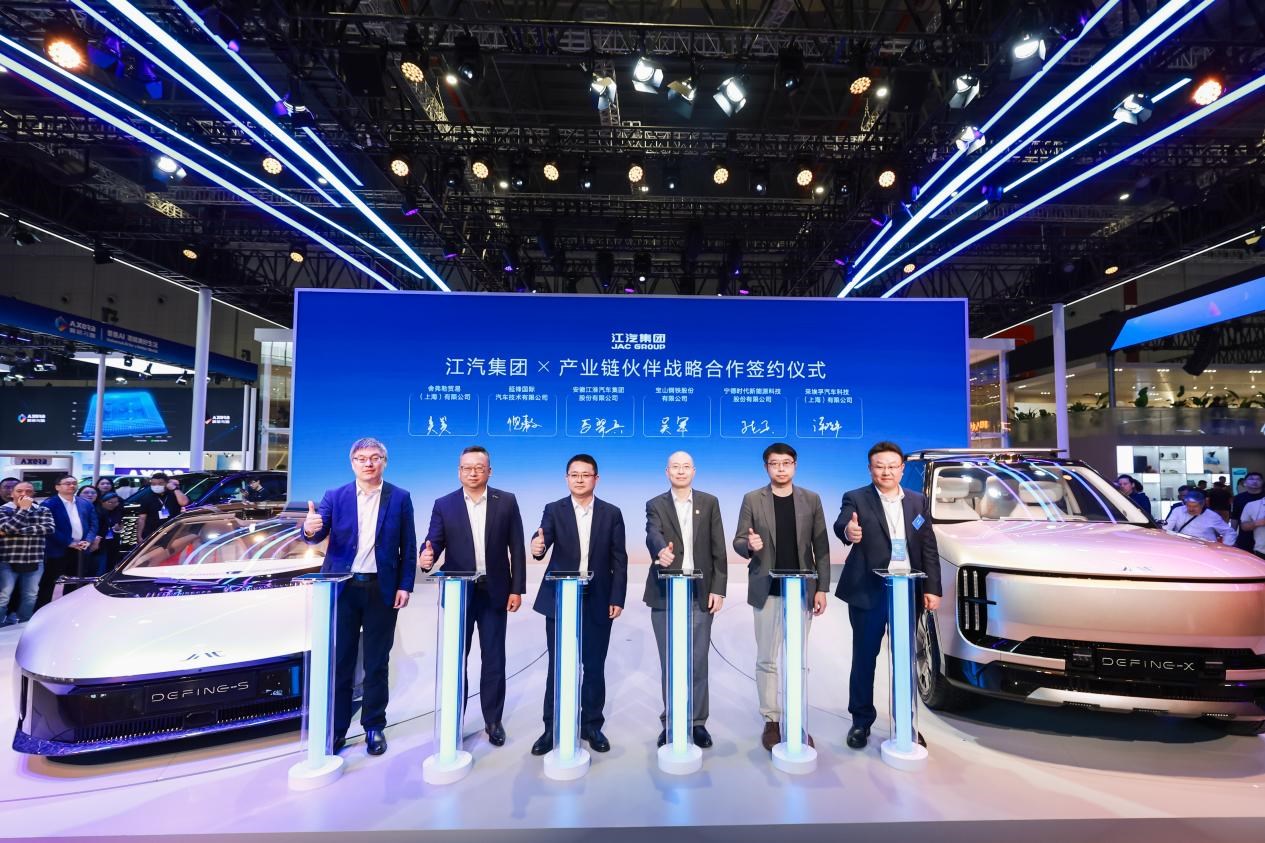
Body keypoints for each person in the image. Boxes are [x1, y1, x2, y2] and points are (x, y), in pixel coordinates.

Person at [302, 437, 417, 756]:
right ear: (352, 463)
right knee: (341, 662)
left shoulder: (400, 497)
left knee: (377, 663)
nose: (368, 463)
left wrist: (405, 585)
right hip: (343, 589)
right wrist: (309, 529)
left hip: (382, 589)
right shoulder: (335, 496)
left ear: (384, 462)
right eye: (361, 458)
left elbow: (408, 546)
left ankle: (374, 726)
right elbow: (315, 534)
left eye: (375, 457)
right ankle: (337, 729)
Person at [834, 441, 941, 750]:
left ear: (902, 469)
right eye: (879, 466)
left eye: (892, 466)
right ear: (870, 469)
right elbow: (843, 523)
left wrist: (933, 587)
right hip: (870, 588)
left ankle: (905, 723)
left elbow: (928, 546)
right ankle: (861, 721)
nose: (886, 472)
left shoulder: (918, 501)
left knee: (905, 658)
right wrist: (849, 532)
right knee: (864, 657)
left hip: (907, 589)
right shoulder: (856, 498)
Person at [418, 446, 526, 748]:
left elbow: (517, 548)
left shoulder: (506, 501)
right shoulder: (444, 504)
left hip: (495, 592)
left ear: (489, 471)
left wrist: (516, 588)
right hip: (459, 593)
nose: (473, 472)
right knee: (456, 659)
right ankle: (454, 719)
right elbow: (433, 543)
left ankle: (493, 721)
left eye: (479, 467)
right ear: (459, 472)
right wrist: (426, 558)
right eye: (467, 467)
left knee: (494, 658)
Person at [732, 442, 831, 753]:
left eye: (786, 463)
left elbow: (821, 547)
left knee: (798, 660)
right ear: (766, 467)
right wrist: (749, 546)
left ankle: (796, 716)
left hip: (802, 590)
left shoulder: (811, 499)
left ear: (795, 466)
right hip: (767, 589)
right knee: (767, 658)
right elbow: (738, 540)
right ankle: (771, 719)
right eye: (774, 463)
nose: (781, 468)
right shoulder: (752, 499)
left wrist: (822, 587)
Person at [529, 454, 627, 757]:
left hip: (598, 598)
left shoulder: (611, 513)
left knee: (594, 666)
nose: (580, 479)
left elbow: (619, 559)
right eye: (574, 474)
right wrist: (537, 546)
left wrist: (617, 598)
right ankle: (551, 727)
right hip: (561, 598)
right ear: (567, 478)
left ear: (596, 478)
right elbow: (542, 538)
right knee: (557, 665)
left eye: (586, 474)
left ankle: (592, 725)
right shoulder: (554, 509)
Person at [643, 451, 727, 749]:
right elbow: (652, 533)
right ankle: (672, 721)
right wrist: (659, 551)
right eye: (675, 467)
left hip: (699, 592)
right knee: (670, 662)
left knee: (697, 661)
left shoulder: (709, 502)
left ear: (694, 471)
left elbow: (719, 549)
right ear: (667, 472)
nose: (680, 471)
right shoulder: (655, 504)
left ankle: (697, 722)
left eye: (686, 467)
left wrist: (718, 589)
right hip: (666, 592)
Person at [37, 475, 98, 609]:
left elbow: (93, 524)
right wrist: (68, 542)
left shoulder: (85, 503)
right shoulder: (49, 504)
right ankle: (42, 611)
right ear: (57, 487)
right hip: (57, 549)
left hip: (81, 549)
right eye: (67, 483)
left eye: (74, 483)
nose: (72, 486)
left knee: (75, 582)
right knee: (48, 583)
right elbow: (49, 528)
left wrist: (88, 540)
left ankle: (69, 609)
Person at [0, 482, 55, 625]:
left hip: (35, 559)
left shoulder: (43, 510)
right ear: (12, 494)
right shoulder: (3, 510)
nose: (24, 494)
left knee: (31, 595)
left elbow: (49, 528)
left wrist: (16, 531)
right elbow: (8, 527)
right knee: (4, 596)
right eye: (19, 491)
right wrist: (23, 510)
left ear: (33, 494)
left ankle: (24, 623)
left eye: (28, 491)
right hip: (8, 559)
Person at [1162, 489, 1234, 543]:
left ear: (1202, 504)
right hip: (1183, 546)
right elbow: (1166, 529)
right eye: (1188, 506)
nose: (1191, 509)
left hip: (1205, 548)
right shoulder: (1178, 511)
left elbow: (1229, 532)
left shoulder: (1211, 516)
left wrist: (1225, 547)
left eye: (1195, 506)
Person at [135, 473, 190, 541]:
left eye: (160, 483)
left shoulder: (173, 494)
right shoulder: (147, 497)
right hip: (152, 533)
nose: (156, 486)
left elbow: (184, 502)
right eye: (153, 484)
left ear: (167, 483)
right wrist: (139, 535)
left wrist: (174, 488)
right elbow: (142, 518)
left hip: (173, 531)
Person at [1231, 472, 1265, 553]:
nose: (1255, 481)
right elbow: (1234, 517)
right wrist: (1232, 535)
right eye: (1251, 479)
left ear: (1262, 482)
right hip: (1245, 533)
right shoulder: (1239, 498)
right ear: (1245, 482)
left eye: (1258, 479)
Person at [93, 492, 125, 575]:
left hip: (113, 541)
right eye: (110, 502)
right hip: (99, 542)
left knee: (112, 563)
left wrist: (119, 528)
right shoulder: (97, 512)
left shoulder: (118, 511)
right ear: (102, 502)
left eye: (116, 502)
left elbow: (120, 525)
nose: (113, 505)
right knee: (100, 566)